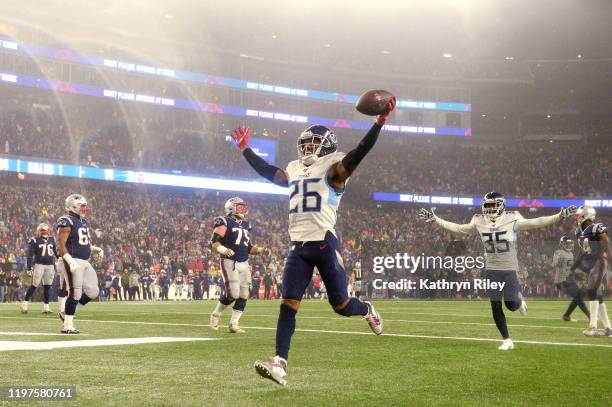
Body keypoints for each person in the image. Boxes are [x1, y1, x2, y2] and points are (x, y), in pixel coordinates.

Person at [232, 98, 394, 385]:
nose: (308, 148)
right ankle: (279, 363)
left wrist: (378, 123)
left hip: (324, 243)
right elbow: (271, 173)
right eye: (305, 144)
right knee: (288, 304)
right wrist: (246, 150)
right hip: (298, 247)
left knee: (342, 305)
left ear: (327, 145)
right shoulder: (294, 168)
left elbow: (359, 153)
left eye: (313, 143)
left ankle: (367, 309)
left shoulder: (334, 166)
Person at [419, 192, 576, 350]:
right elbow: (459, 229)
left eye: (494, 205)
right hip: (492, 270)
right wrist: (435, 219)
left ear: (501, 205)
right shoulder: (479, 221)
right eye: (488, 206)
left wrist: (560, 216)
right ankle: (507, 339)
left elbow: (537, 222)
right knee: (495, 305)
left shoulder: (512, 218)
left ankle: (520, 302)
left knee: (510, 304)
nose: (491, 209)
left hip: (509, 269)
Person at [209, 197, 270, 333]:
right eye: (239, 206)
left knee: (244, 294)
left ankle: (234, 324)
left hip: (244, 262)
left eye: (244, 206)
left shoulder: (246, 224)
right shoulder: (224, 221)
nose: (243, 209)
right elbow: (213, 243)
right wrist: (224, 250)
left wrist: (260, 250)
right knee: (233, 294)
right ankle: (216, 314)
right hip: (229, 261)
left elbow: (248, 247)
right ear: (231, 207)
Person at [55, 194, 103, 334]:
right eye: (82, 206)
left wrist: (95, 249)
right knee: (75, 292)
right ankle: (67, 325)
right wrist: (69, 261)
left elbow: (82, 243)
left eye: (85, 206)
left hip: (84, 261)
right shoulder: (66, 220)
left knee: (93, 291)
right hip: (72, 260)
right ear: (72, 206)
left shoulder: (82, 222)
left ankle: (66, 313)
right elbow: (60, 244)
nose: (84, 208)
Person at [571, 206, 612, 337]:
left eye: (579, 215)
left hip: (599, 261)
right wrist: (574, 267)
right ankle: (608, 329)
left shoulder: (595, 227)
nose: (576, 217)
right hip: (590, 264)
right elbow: (583, 252)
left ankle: (593, 327)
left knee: (591, 290)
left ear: (586, 216)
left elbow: (606, 242)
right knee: (597, 295)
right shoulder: (578, 232)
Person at [21, 223, 57, 314]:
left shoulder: (52, 239)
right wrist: (29, 268)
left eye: (43, 230)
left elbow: (56, 253)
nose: (43, 232)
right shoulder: (34, 240)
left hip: (50, 265)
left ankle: (46, 307)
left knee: (47, 286)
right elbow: (30, 255)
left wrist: (61, 260)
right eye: (42, 230)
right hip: (39, 264)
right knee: (34, 285)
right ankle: (24, 303)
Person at [553, 235, 589, 322]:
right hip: (561, 281)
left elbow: (570, 269)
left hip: (569, 280)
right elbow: (555, 264)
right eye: (567, 244)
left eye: (570, 244)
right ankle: (590, 316)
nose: (569, 245)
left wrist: (580, 272)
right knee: (579, 293)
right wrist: (559, 261)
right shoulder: (558, 252)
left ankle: (566, 316)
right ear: (562, 244)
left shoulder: (571, 254)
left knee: (579, 295)